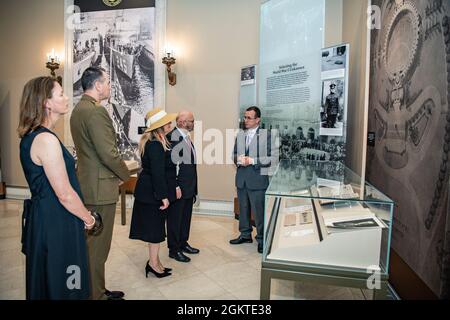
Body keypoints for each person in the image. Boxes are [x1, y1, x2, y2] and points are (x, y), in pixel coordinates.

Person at [18, 76, 103, 300]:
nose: (67, 97)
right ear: (46, 103)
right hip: (57, 221)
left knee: (52, 277)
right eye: (61, 93)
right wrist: (89, 219)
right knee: (67, 279)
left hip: (46, 218)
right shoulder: (46, 140)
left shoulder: (34, 136)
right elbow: (64, 194)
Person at [70, 67, 130, 300]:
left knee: (91, 244)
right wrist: (127, 175)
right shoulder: (96, 112)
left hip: (87, 183)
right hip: (100, 187)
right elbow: (108, 154)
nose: (109, 86)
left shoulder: (79, 109)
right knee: (97, 247)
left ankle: (96, 288)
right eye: (107, 82)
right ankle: (95, 294)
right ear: (97, 85)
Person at [129, 108, 177, 278]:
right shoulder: (156, 144)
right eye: (166, 122)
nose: (170, 124)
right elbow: (158, 173)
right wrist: (164, 196)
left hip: (148, 192)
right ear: (160, 126)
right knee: (155, 232)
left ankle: (154, 262)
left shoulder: (152, 141)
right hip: (153, 194)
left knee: (154, 231)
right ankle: (153, 264)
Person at [230, 106, 272, 253]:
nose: (245, 120)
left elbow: (271, 159)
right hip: (241, 180)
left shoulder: (267, 135)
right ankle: (245, 234)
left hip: (258, 181)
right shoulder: (240, 135)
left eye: (249, 118)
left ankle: (261, 239)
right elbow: (233, 155)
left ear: (257, 120)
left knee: (259, 213)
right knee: (243, 209)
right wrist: (238, 159)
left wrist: (252, 160)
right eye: (245, 117)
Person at [166, 111, 200, 263]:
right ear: (181, 122)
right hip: (178, 188)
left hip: (188, 187)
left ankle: (183, 243)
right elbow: (171, 167)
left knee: (185, 218)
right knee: (175, 219)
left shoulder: (186, 137)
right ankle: (174, 249)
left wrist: (194, 189)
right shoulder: (172, 138)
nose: (193, 123)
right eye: (191, 121)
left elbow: (191, 166)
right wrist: (175, 186)